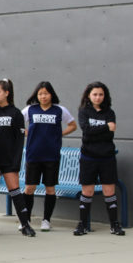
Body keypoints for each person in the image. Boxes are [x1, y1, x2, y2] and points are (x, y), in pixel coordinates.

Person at [0, 79, 35, 236]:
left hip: (9, 160)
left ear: (7, 93)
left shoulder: (16, 113)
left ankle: (25, 224)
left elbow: (20, 140)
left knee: (15, 191)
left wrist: (16, 162)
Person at [22, 81, 77, 231]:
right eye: (40, 94)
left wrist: (60, 133)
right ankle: (25, 220)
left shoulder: (60, 110)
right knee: (29, 188)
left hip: (51, 155)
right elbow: (18, 124)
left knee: (50, 188)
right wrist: (27, 133)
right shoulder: (30, 110)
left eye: (46, 93)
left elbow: (73, 125)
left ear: (51, 94)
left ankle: (46, 220)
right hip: (33, 155)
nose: (43, 96)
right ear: (36, 95)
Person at [74, 82, 125, 236]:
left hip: (107, 158)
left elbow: (110, 134)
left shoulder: (109, 112)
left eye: (100, 94)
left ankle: (114, 225)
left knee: (109, 190)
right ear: (89, 95)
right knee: (87, 191)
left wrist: (97, 131)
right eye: (95, 94)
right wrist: (104, 127)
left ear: (105, 96)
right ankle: (82, 225)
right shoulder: (83, 111)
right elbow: (87, 131)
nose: (97, 97)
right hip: (88, 157)